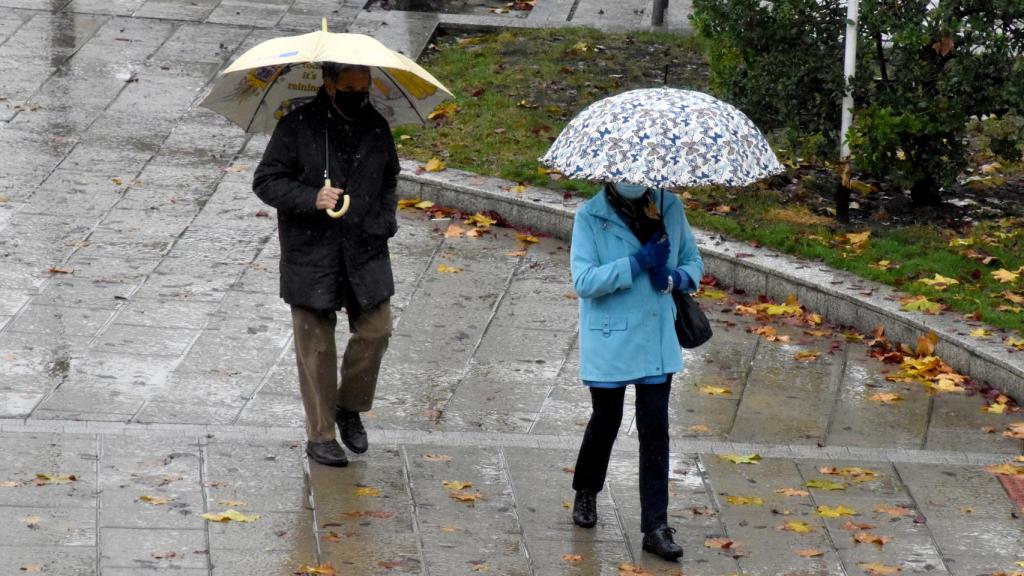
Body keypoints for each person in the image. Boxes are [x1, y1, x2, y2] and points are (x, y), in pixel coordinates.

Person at [253, 63, 400, 468]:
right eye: (349, 87)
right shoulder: (297, 125)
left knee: (376, 331)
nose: (358, 93)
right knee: (316, 348)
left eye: (364, 86)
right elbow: (266, 180)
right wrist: (311, 197)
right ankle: (320, 435)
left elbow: (390, 178)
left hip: (365, 248)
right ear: (329, 85)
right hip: (311, 253)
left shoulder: (376, 126)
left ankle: (349, 406)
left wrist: (385, 222)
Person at [569, 181, 703, 561]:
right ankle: (586, 490)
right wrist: (635, 263)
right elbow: (584, 281)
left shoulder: (669, 206)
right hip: (610, 337)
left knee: (655, 428)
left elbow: (694, 262)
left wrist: (674, 277)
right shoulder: (590, 216)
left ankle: (655, 527)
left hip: (656, 337)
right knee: (607, 418)